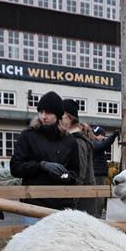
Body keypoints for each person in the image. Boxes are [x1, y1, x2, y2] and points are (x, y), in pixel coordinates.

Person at [10, 91, 80, 224]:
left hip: (62, 206)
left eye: (48, 113)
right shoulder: (28, 136)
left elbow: (75, 172)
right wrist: (41, 165)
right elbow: (15, 167)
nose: (43, 116)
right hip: (34, 204)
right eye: (41, 112)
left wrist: (65, 176)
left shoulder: (69, 140)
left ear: (58, 115)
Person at [62, 99, 97, 215]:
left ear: (69, 117)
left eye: (60, 116)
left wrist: (72, 201)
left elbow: (80, 174)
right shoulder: (76, 139)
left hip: (81, 202)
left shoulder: (77, 142)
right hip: (83, 198)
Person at [91, 125, 119, 218]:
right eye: (102, 135)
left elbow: (105, 145)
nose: (103, 137)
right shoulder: (93, 143)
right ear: (97, 135)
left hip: (99, 173)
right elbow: (103, 145)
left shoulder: (95, 143)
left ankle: (96, 215)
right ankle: (96, 216)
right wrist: (113, 136)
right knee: (99, 196)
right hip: (97, 174)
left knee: (100, 196)